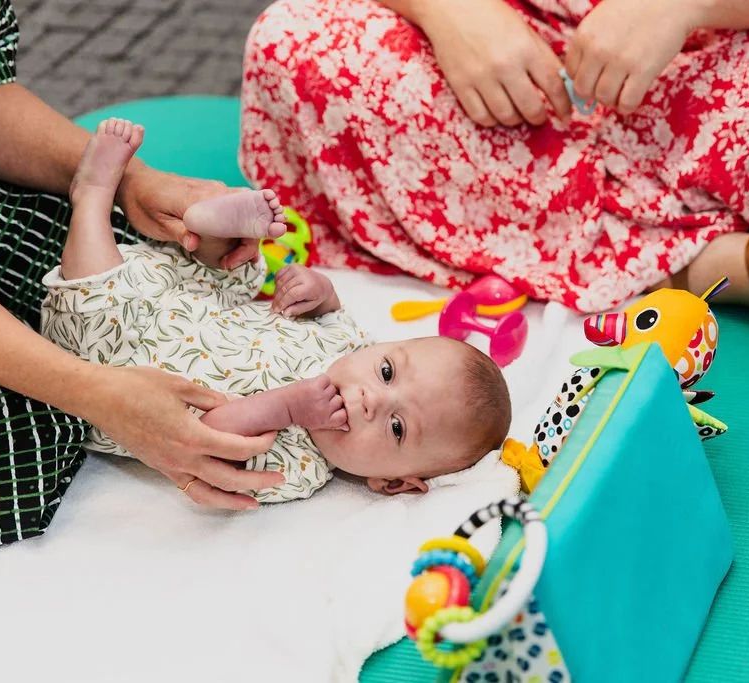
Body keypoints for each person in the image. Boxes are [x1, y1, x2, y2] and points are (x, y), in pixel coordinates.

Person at [0, 0, 280, 568]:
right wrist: (90, 391)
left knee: (133, 270)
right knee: (4, 447)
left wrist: (134, 183)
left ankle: (97, 193)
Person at [239, 0, 749, 341]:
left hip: (722, 58)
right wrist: (447, 12)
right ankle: (709, 263)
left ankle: (666, 264)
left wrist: (684, 7)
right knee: (289, 41)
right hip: (508, 76)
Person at [41, 119, 513, 502]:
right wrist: (317, 290)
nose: (372, 397)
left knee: (100, 300)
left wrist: (288, 406)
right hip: (190, 309)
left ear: (390, 482)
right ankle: (214, 228)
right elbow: (329, 313)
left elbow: (203, 436)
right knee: (235, 271)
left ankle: (93, 197)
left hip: (114, 365)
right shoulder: (349, 348)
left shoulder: (299, 467)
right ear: (385, 347)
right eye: (388, 371)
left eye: (396, 427)